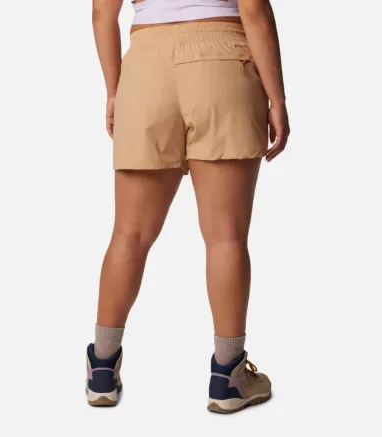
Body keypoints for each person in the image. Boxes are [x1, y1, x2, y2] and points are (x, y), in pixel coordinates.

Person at [86, 0, 290, 413]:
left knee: (129, 233)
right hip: (222, 61)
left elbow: (102, 13)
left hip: (146, 68)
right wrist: (277, 98)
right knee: (225, 236)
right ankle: (228, 377)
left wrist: (114, 91)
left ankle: (102, 369)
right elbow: (253, 10)